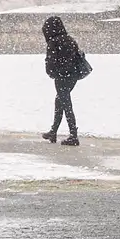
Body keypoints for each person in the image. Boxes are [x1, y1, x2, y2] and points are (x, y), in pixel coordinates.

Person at [41, 16, 91, 146]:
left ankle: (73, 136)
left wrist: (53, 73)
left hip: (61, 77)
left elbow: (50, 62)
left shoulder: (53, 42)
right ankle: (53, 132)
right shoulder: (70, 40)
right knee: (60, 102)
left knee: (66, 104)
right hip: (72, 76)